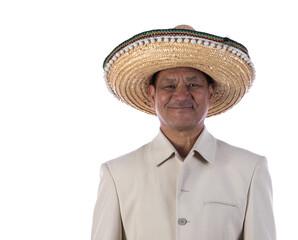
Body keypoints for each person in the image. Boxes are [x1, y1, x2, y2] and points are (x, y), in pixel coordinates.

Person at [91, 25, 276, 240]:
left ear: (210, 93)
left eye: (193, 84)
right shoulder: (118, 174)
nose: (181, 94)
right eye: (169, 86)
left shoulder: (249, 169)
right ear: (152, 96)